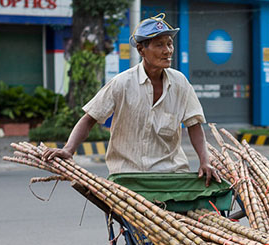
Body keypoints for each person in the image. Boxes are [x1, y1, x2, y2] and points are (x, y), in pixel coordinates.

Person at [42, 13, 220, 186]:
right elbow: (89, 119)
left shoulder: (180, 83)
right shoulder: (122, 83)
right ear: (141, 50)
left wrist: (205, 161)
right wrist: (68, 149)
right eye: (159, 45)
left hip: (172, 176)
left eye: (169, 44)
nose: (167, 51)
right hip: (128, 177)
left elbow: (194, 125)